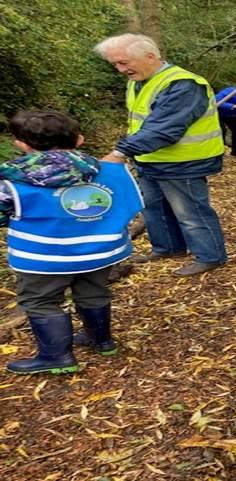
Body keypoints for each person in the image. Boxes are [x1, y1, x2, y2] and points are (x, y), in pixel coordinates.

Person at [1, 111, 143, 374]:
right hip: (100, 251)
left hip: (43, 257)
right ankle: (102, 341)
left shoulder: (11, 180)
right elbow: (133, 204)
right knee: (93, 292)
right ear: (79, 139)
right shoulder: (111, 171)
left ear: (21, 143)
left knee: (40, 301)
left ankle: (56, 357)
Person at [94, 33, 228, 276]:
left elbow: (165, 128)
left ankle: (211, 256)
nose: (120, 69)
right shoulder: (139, 80)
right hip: (149, 158)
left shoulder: (183, 84)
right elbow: (143, 123)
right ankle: (168, 248)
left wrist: (121, 151)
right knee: (154, 207)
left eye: (123, 63)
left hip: (183, 161)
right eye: (114, 64)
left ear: (150, 56)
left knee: (190, 211)